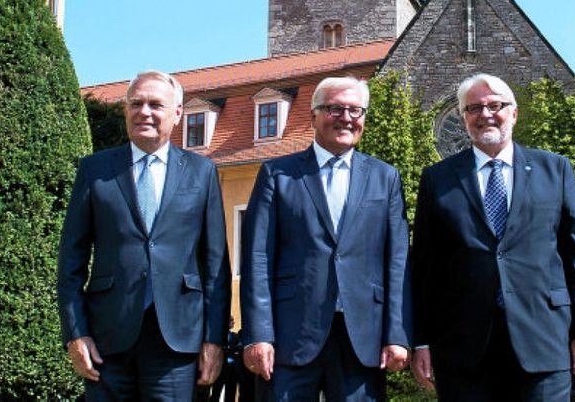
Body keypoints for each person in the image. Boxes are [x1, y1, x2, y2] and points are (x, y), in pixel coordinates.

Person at [410, 73, 575, 401]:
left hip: (544, 339)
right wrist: (422, 340)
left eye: (495, 105)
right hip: (463, 347)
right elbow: (425, 267)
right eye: (473, 108)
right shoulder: (437, 179)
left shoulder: (555, 170)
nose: (485, 114)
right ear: (463, 118)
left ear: (513, 112)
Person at [57, 70, 231, 401]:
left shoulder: (202, 172)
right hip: (107, 340)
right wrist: (75, 334)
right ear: (125, 110)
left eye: (155, 104)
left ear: (177, 113)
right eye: (135, 103)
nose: (144, 112)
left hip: (177, 342)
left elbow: (216, 266)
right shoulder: (95, 170)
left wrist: (214, 340)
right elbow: (70, 262)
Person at [240, 76, 410, 400]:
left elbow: (397, 260)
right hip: (289, 336)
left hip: (363, 338)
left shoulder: (385, 177)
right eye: (335, 109)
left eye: (356, 111)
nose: (346, 118)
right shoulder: (277, 175)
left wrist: (397, 333)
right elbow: (257, 258)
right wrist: (258, 334)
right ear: (313, 115)